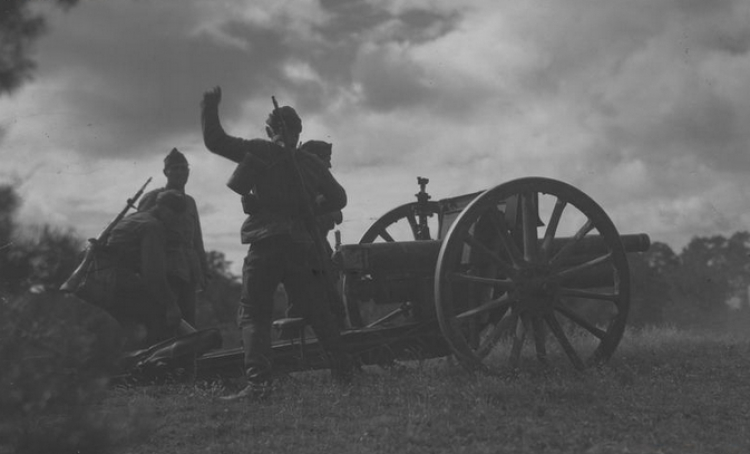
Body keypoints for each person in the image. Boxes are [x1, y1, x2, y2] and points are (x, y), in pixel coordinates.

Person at [201, 86, 352, 399]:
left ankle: (259, 385)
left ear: (270, 130)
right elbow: (340, 198)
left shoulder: (261, 150)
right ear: (299, 131)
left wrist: (210, 104)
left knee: (254, 313)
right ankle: (345, 374)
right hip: (301, 246)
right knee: (318, 310)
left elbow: (214, 141)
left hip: (265, 245)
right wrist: (311, 207)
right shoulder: (312, 163)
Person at [104, 189, 187, 346]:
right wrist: (171, 305)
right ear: (161, 208)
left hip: (106, 282)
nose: (176, 220)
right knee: (162, 321)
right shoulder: (153, 227)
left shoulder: (134, 218)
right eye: (174, 213)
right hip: (118, 286)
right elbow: (154, 276)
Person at [138, 148, 210, 328]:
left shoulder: (190, 201)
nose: (180, 172)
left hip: (189, 269)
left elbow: (197, 239)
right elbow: (139, 227)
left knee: (189, 322)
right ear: (165, 172)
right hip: (164, 269)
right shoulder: (154, 198)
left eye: (183, 168)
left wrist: (204, 268)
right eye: (175, 168)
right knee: (166, 322)